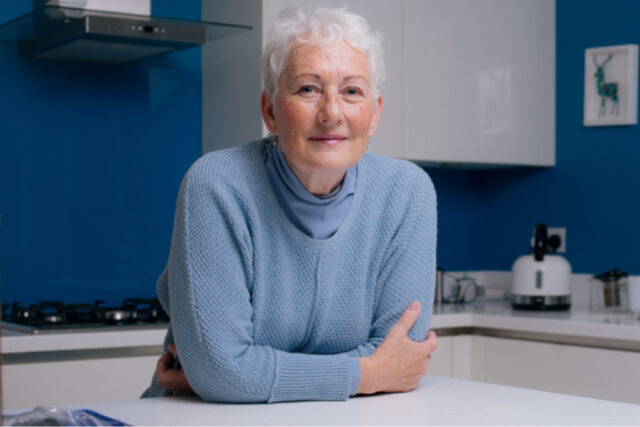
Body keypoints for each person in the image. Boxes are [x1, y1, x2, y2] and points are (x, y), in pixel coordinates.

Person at [141, 6, 438, 403]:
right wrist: (366, 373)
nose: (332, 113)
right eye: (307, 89)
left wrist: (242, 376)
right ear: (270, 110)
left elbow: (401, 356)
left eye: (351, 91)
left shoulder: (408, 192)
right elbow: (220, 372)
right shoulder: (216, 185)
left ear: (374, 114)